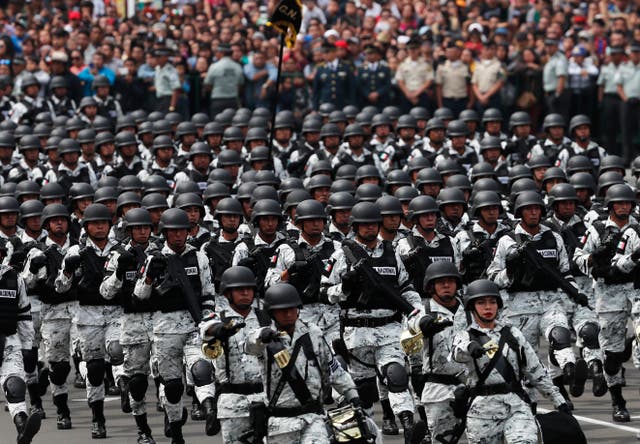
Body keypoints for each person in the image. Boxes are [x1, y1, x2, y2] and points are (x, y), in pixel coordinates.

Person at [322, 201, 422, 444]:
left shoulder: (392, 253)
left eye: (373, 224)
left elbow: (406, 288)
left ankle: (409, 425)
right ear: (355, 227)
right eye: (364, 225)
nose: (369, 229)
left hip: (389, 327)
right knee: (364, 390)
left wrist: (416, 312)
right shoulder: (341, 255)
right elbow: (325, 292)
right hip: (356, 331)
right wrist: (344, 286)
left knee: (396, 375)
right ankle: (363, 435)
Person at [487, 191, 590, 409]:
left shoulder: (554, 237)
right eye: (528, 209)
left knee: (560, 334)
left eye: (537, 209)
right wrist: (511, 270)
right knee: (526, 360)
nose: (534, 212)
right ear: (520, 213)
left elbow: (565, 272)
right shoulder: (507, 241)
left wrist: (575, 293)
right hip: (518, 307)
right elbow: (493, 278)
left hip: (551, 300)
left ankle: (570, 370)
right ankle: (529, 407)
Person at [452, 279, 571, 444]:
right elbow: (457, 353)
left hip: (515, 406)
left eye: (492, 302)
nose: (488, 307)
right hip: (482, 411)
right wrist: (470, 347)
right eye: (481, 303)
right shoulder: (465, 336)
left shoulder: (513, 334)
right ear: (472, 307)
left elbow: (535, 370)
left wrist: (558, 400)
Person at [133, 208, 216, 444]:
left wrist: (208, 319)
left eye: (182, 231)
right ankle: (177, 431)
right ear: (165, 234)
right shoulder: (154, 258)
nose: (178, 236)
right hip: (164, 328)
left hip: (193, 325)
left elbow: (209, 292)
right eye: (173, 232)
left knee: (201, 369)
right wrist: (150, 276)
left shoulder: (199, 257)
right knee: (172, 386)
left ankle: (210, 409)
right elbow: (140, 295)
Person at [245, 283, 361, 444]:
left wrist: (352, 395)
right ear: (272, 313)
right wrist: (261, 335)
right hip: (280, 422)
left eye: (292, 309)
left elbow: (333, 369)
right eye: (282, 310)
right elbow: (250, 346)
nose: (288, 313)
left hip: (313, 418)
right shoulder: (265, 339)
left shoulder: (313, 333)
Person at [54, 203, 122, 439]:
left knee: (117, 350)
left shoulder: (120, 251)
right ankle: (98, 417)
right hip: (87, 315)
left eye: (104, 223)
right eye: (95, 223)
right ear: (86, 226)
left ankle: (125, 386)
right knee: (93, 369)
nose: (100, 227)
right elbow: (60, 287)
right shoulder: (76, 251)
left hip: (116, 314)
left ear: (109, 225)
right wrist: (68, 271)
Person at [573, 184, 639, 422]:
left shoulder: (638, 226)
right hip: (608, 293)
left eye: (628, 203)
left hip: (637, 289)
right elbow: (578, 258)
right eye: (619, 203)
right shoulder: (597, 229)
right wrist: (593, 257)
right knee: (611, 358)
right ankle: (618, 402)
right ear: (610, 205)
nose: (624, 207)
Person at [99, 208, 158, 443]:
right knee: (137, 381)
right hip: (131, 320)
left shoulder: (161, 250)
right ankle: (143, 429)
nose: (143, 231)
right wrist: (119, 273)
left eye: (146, 227)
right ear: (129, 230)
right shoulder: (117, 254)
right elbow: (105, 292)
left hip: (161, 318)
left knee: (167, 376)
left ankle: (172, 419)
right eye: (138, 228)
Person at [21, 204, 75, 430]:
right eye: (54, 220)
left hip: (81, 309)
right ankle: (60, 409)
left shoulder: (78, 249)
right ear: (47, 225)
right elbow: (25, 283)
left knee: (85, 360)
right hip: (51, 311)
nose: (59, 223)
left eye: (63, 219)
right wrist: (33, 268)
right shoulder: (38, 251)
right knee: (57, 366)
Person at [199, 266, 263, 443]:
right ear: (227, 294)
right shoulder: (218, 317)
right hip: (233, 401)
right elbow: (205, 330)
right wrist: (221, 329)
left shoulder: (265, 318)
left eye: (249, 289)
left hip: (265, 396)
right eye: (239, 289)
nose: (245, 293)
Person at [404, 261, 466, 443]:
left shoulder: (471, 309)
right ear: (431, 286)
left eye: (450, 281)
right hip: (439, 388)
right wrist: (423, 326)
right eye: (440, 282)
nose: (446, 285)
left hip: (472, 385)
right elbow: (409, 335)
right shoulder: (423, 311)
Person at [0, 238, 42, 444]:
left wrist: (27, 346)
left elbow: (24, 314)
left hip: (8, 340)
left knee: (15, 385)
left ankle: (23, 426)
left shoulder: (13, 278)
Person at [204, 43, 244, 117]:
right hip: (233, 100)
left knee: (217, 126)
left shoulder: (214, 66)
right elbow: (240, 85)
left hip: (218, 100)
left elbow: (207, 84)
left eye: (217, 52)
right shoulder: (237, 66)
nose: (216, 54)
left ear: (221, 53)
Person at [153, 48, 181, 114]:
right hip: (159, 99)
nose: (157, 59)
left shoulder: (171, 70)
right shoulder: (157, 68)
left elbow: (176, 89)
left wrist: (172, 106)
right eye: (156, 57)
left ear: (165, 57)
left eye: (159, 57)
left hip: (168, 99)